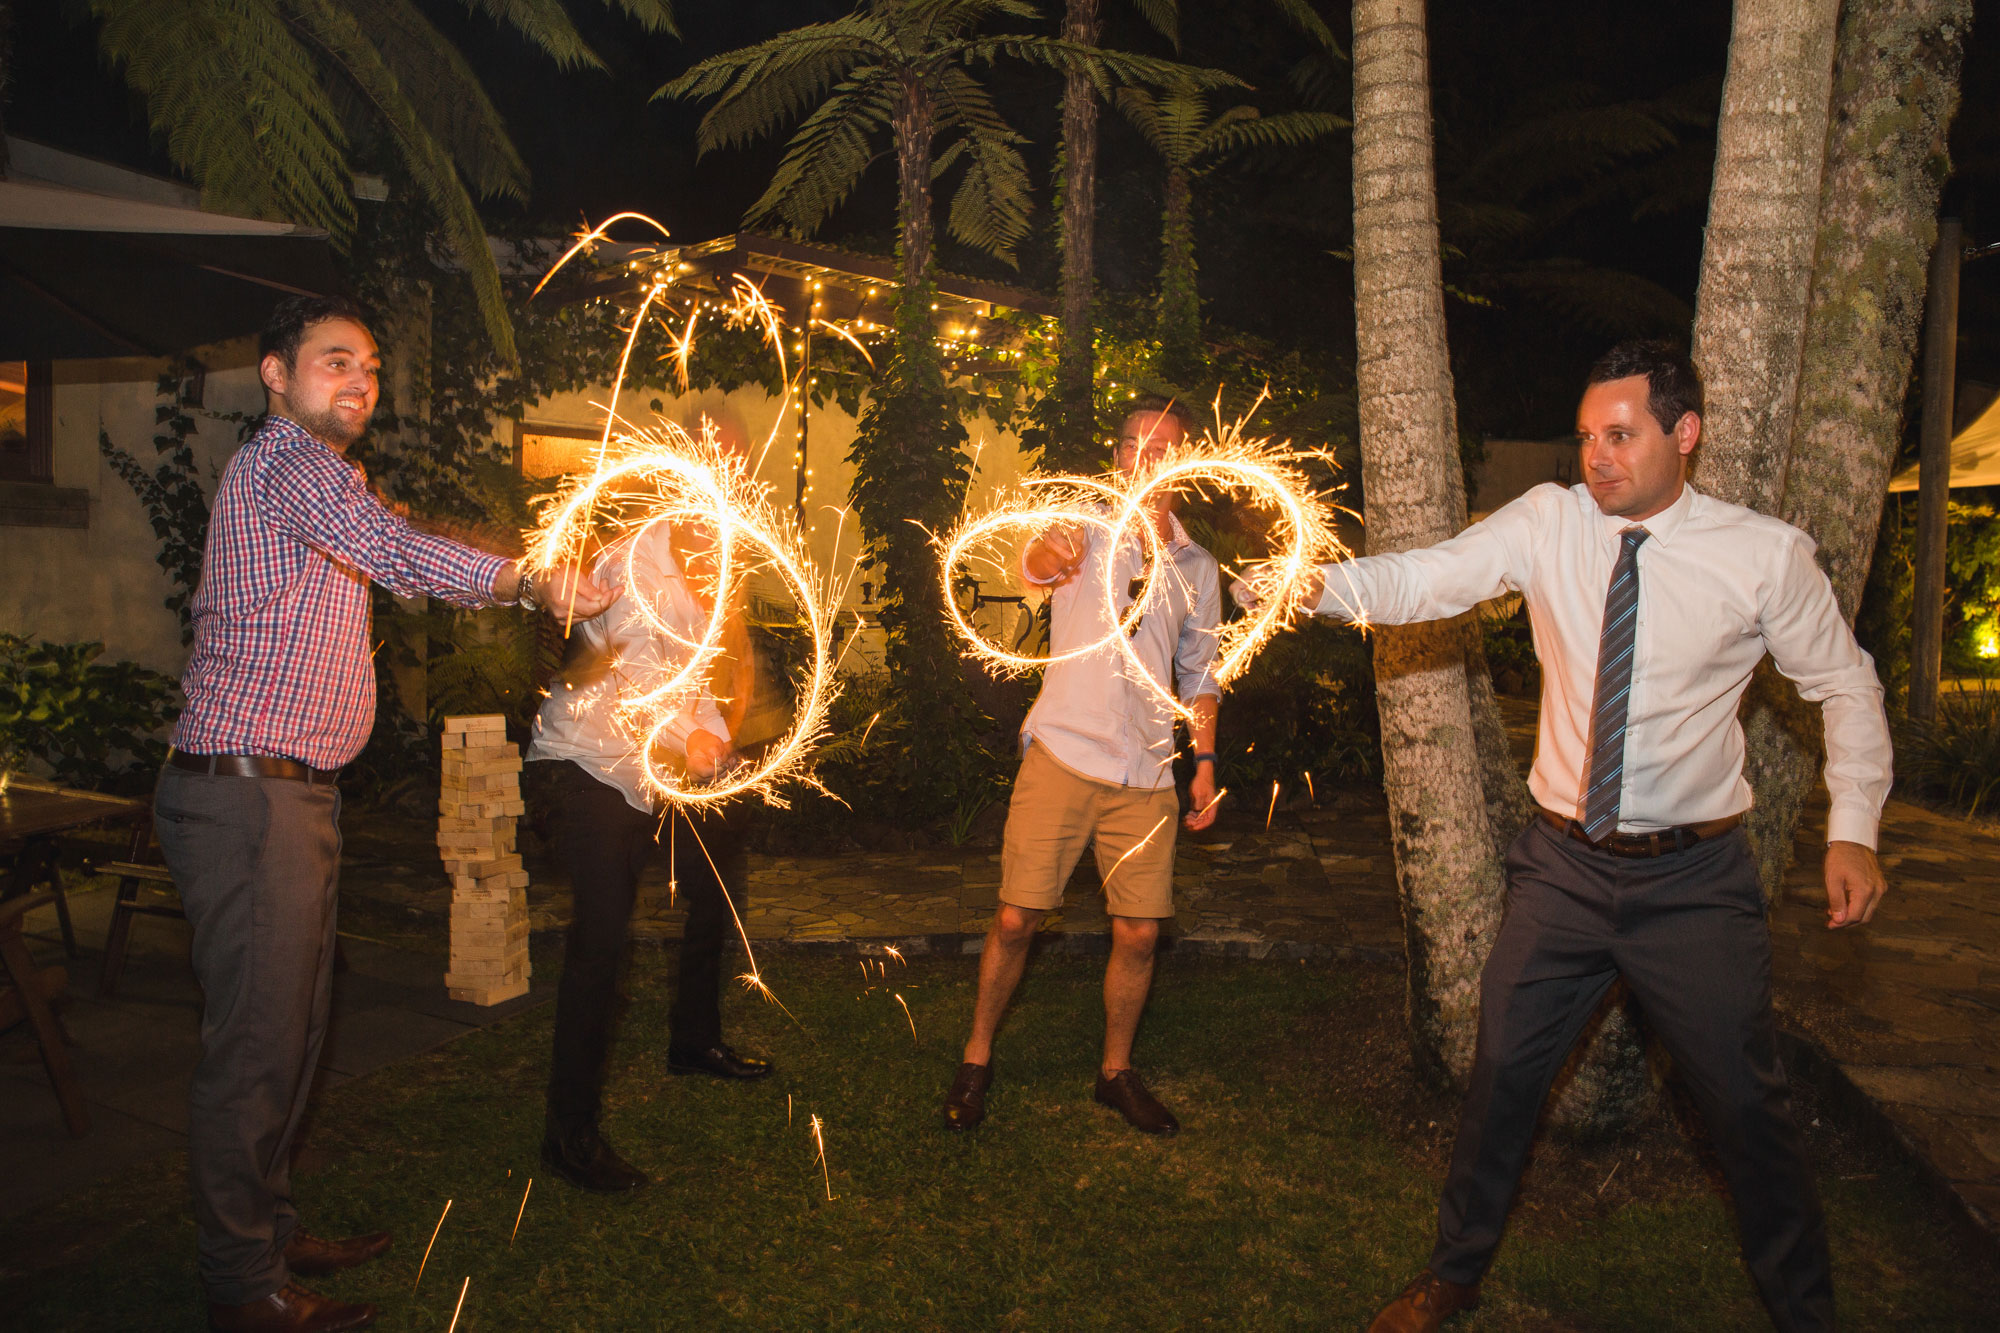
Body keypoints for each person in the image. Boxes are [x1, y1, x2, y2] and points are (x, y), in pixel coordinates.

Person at [1238, 341, 1891, 1333]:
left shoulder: (1762, 555)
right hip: (1562, 874)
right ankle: (1452, 1276)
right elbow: (1430, 579)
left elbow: (1844, 686)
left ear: (1684, 433)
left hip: (1694, 885)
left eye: (1619, 435)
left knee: (1746, 1109)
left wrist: (1852, 828)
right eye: (1587, 435)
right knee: (1500, 1077)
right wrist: (1308, 587)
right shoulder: (1549, 522)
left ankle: (1804, 1313)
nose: (1596, 456)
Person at [154, 296, 614, 1333]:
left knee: (296, 1032)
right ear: (275, 373)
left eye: (367, 366)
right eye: (332, 362)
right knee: (257, 1049)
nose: (358, 381)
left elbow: (385, 537)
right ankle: (241, 1285)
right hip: (248, 799)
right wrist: (528, 578)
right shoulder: (286, 463)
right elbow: (396, 550)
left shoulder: (324, 480)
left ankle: (268, 1229)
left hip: (285, 795)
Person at [941, 398, 1224, 1137]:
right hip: (1065, 752)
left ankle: (1115, 1071)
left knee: (1138, 932)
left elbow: (1199, 674)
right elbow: (1035, 560)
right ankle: (976, 1057)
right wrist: (1047, 557)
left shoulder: (1198, 565)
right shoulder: (1084, 524)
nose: (1148, 456)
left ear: (1186, 463)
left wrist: (1204, 762)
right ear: (1119, 453)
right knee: (1015, 917)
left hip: (1147, 774)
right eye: (1135, 442)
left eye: (1164, 446)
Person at [528, 510, 773, 1195]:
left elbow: (688, 676)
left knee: (715, 884)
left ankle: (694, 1041)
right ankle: (568, 1134)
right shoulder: (628, 564)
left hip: (645, 767)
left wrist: (715, 735)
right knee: (601, 937)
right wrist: (686, 739)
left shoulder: (708, 564)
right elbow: (640, 683)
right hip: (586, 766)